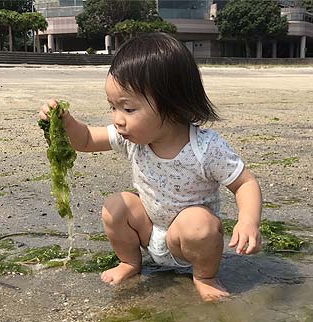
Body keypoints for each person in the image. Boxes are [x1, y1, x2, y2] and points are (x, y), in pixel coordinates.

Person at [38, 33, 262, 301]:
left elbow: (244, 183)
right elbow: (85, 140)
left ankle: (205, 276)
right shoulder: (132, 138)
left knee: (198, 223)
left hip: (188, 241)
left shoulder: (206, 148)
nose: (117, 120)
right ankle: (130, 262)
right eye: (112, 107)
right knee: (116, 206)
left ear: (173, 105)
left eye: (128, 109)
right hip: (150, 231)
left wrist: (248, 221)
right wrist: (65, 123)